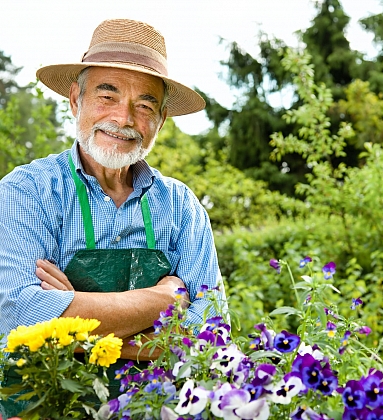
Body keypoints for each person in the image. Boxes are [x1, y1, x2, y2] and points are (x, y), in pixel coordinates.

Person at [0, 19, 226, 415]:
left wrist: (71, 313)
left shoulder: (181, 207)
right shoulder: (27, 192)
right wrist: (163, 300)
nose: (124, 119)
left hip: (154, 408)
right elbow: (17, 318)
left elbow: (211, 335)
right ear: (75, 100)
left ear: (161, 120)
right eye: (108, 96)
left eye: (144, 105)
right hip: (47, 408)